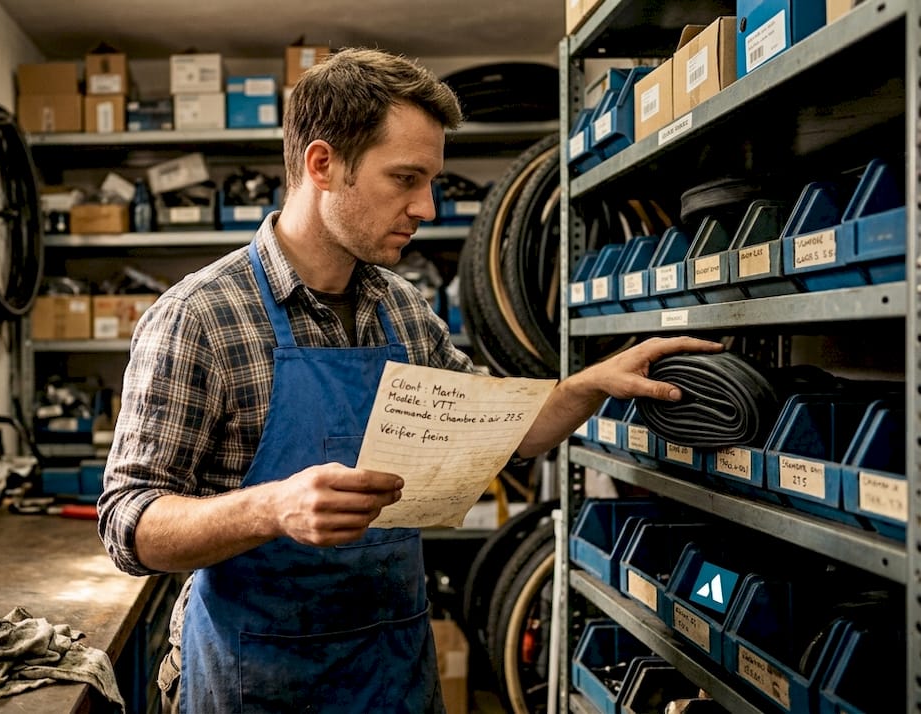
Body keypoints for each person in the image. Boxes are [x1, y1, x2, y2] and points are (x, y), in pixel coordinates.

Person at [97, 47, 721, 713]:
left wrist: (590, 383)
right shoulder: (200, 318)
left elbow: (502, 431)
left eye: (431, 181)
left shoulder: (401, 310)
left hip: (389, 671)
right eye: (405, 178)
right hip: (258, 676)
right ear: (322, 165)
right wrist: (271, 507)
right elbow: (128, 525)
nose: (425, 205)